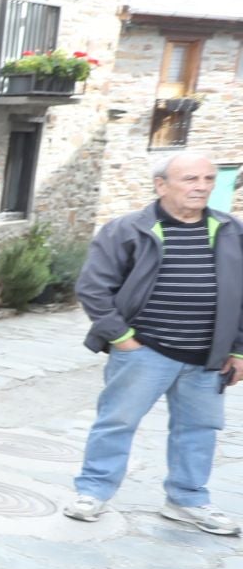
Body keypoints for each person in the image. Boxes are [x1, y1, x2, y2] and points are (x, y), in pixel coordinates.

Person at [65, 151, 242, 535]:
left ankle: (187, 499)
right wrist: (123, 339)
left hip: (206, 356)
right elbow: (93, 288)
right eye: (190, 179)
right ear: (161, 185)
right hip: (145, 350)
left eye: (208, 179)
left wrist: (238, 349)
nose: (201, 187)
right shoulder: (126, 230)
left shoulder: (232, 230)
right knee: (117, 422)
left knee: (199, 429)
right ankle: (93, 492)